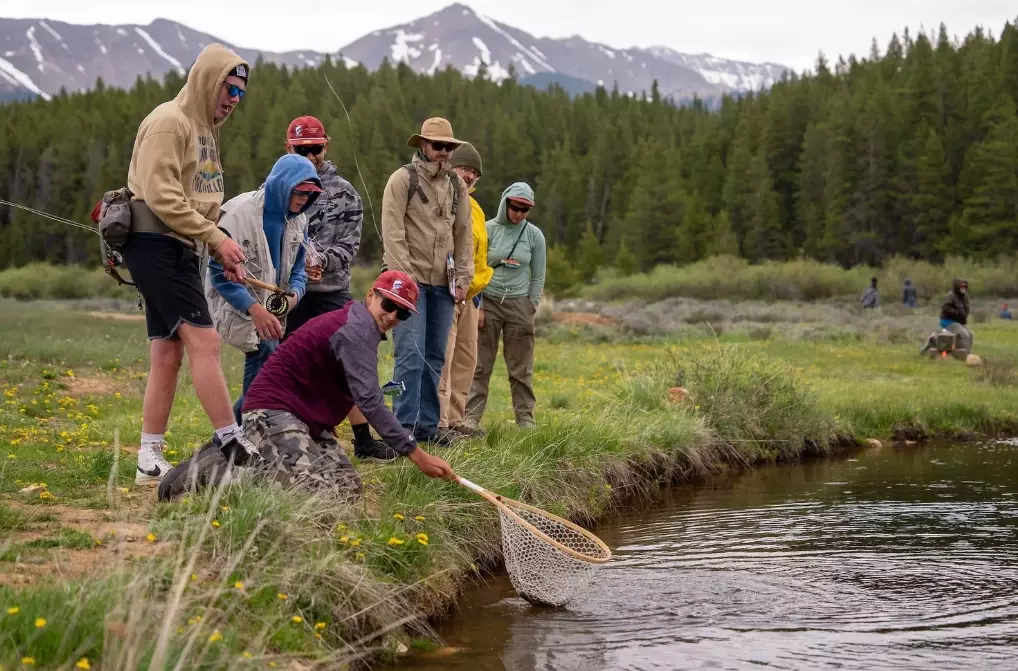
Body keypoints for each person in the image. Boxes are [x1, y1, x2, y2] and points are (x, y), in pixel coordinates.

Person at [157, 271, 458, 502]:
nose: (392, 316)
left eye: (402, 313)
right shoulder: (356, 331)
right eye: (389, 304)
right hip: (272, 412)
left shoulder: (359, 326)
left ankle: (260, 461)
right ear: (371, 295)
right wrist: (417, 455)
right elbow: (370, 401)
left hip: (302, 418)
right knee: (308, 492)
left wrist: (322, 416)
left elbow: (344, 385)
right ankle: (214, 472)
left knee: (346, 490)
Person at [121, 43, 259, 485]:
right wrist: (216, 238)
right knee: (206, 341)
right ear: (206, 81)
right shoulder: (169, 122)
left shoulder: (206, 132)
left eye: (240, 94)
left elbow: (202, 201)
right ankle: (233, 447)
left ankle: (149, 457)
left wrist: (220, 248)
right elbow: (162, 197)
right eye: (228, 89)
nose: (234, 100)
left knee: (168, 351)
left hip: (182, 246)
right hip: (154, 242)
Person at [277, 116, 391, 460]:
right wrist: (295, 269)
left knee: (349, 363)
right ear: (288, 149)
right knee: (287, 364)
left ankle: (364, 440)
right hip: (289, 294)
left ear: (326, 146)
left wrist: (322, 261)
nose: (311, 156)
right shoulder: (276, 187)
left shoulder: (345, 192)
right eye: (302, 150)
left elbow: (349, 245)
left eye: (316, 149)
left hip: (331, 293)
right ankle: (290, 433)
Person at [206, 153, 322, 425]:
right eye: (300, 191)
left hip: (273, 308)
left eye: (310, 193)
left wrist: (294, 296)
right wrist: (254, 309)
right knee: (264, 358)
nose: (304, 199)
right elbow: (217, 274)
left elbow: (299, 270)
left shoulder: (300, 220)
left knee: (268, 364)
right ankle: (244, 430)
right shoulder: (237, 214)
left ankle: (234, 432)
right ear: (282, 185)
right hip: (236, 302)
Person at [381, 118, 473, 447]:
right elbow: (392, 232)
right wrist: (404, 281)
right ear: (423, 145)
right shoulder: (402, 179)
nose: (444, 152)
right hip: (410, 283)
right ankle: (401, 426)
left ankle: (427, 426)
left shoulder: (457, 186)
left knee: (435, 357)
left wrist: (464, 277)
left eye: (449, 146)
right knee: (409, 354)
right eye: (438, 145)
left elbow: (463, 235)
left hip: (444, 286)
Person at [464, 183, 546, 432]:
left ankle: (525, 418)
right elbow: (476, 267)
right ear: (505, 203)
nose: (519, 213)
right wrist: (478, 304)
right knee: (480, 365)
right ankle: (471, 417)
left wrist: (531, 305)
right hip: (487, 302)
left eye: (525, 209)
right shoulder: (487, 229)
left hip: (520, 304)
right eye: (515, 207)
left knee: (521, 368)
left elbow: (538, 276)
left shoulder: (534, 235)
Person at [438, 143, 492, 437]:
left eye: (475, 173)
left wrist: (477, 295)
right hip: (446, 290)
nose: (470, 176)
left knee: (466, 359)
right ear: (451, 167)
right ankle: (439, 421)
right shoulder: (442, 198)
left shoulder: (477, 209)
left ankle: (456, 420)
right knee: (444, 358)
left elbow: (479, 256)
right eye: (464, 169)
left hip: (471, 294)